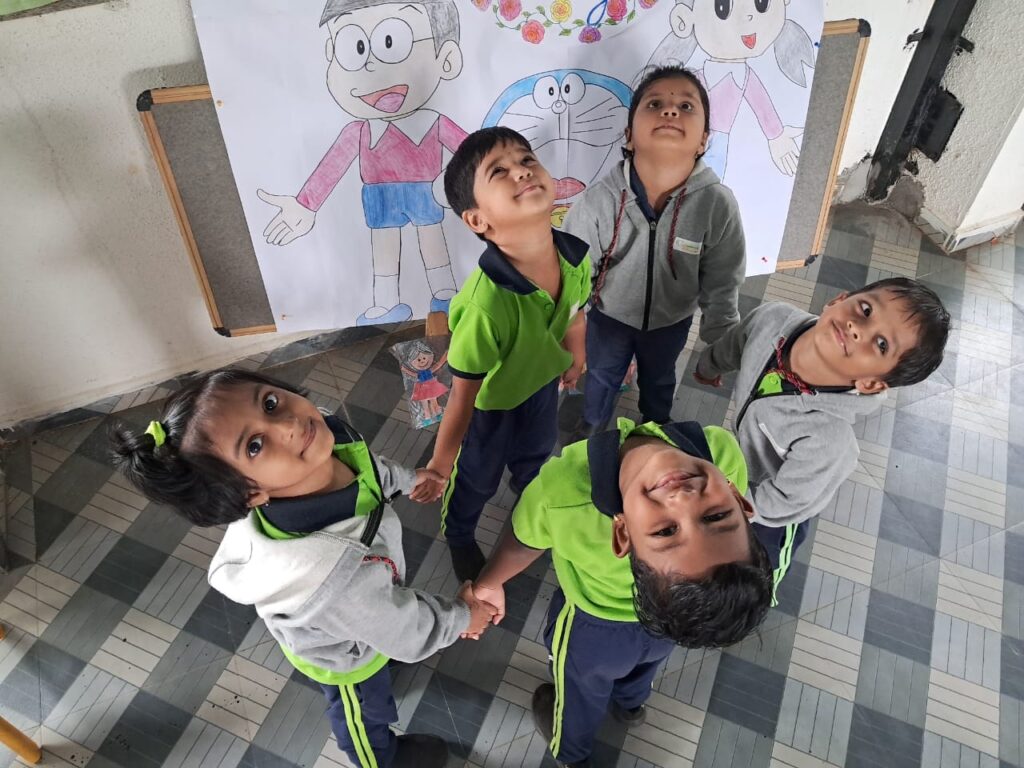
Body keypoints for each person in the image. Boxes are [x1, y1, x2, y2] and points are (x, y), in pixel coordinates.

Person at [109, 369, 496, 768]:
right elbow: (407, 632)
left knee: (378, 634)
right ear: (253, 493)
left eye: (269, 403)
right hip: (342, 652)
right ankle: (380, 758)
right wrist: (464, 617)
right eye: (256, 445)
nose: (288, 424)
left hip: (368, 610)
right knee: (364, 710)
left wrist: (408, 479)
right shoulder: (334, 582)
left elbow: (367, 469)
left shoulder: (322, 442)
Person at [471, 418, 772, 767]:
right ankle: (631, 705)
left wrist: (490, 582)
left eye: (665, 531)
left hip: (594, 630)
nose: (683, 500)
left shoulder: (563, 492)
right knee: (644, 667)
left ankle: (571, 754)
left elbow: (524, 541)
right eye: (716, 516)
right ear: (737, 495)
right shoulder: (722, 453)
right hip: (670, 624)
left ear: (623, 535)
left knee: (580, 690)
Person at [694, 277, 951, 600]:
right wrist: (710, 364)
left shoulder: (828, 442)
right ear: (838, 299)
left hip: (775, 512)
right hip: (736, 471)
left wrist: (720, 505)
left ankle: (756, 597)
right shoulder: (773, 319)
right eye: (866, 308)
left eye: (882, 344)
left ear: (871, 384)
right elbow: (736, 341)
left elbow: (782, 504)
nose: (859, 328)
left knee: (757, 564)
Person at [412, 127, 591, 581]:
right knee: (476, 480)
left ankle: (533, 509)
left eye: (526, 160)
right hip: (489, 409)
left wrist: (575, 352)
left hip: (542, 389)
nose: (521, 171)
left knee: (535, 460)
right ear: (478, 221)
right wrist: (438, 463)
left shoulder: (575, 258)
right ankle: (458, 534)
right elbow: (462, 395)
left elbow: (573, 312)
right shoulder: (484, 306)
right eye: (500, 171)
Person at [562, 64, 746, 439]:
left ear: (703, 141)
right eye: (655, 104)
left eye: (686, 107)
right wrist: (571, 330)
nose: (670, 111)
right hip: (609, 319)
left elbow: (723, 281)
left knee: (660, 378)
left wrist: (719, 346)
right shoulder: (598, 202)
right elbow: (571, 273)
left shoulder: (717, 205)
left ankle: (655, 426)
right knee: (600, 376)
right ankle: (594, 426)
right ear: (629, 137)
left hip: (671, 322)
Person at [257, 0, 469, 324]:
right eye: (353, 48)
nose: (371, 66)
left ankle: (445, 295)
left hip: (425, 191)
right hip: (379, 196)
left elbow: (478, 152)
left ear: (447, 59)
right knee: (383, 250)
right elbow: (331, 167)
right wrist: (305, 205)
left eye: (391, 42)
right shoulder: (359, 130)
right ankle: (386, 304)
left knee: (433, 243)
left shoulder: (435, 122)